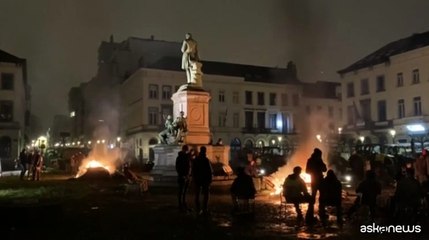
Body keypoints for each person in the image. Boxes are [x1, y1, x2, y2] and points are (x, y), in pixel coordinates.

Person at [305, 148, 327, 225]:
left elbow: (324, 169)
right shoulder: (312, 160)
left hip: (316, 180)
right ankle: (311, 212)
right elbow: (307, 171)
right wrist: (316, 171)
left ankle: (320, 211)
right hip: (316, 180)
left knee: (320, 196)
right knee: (314, 196)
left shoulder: (315, 160)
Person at [192, 146, 213, 215]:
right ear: (205, 151)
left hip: (198, 179)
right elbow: (209, 171)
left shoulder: (196, 159)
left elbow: (193, 169)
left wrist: (194, 178)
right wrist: (210, 179)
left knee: (197, 194)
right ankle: (205, 208)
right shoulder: (206, 159)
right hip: (205, 179)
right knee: (206, 194)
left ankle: (198, 208)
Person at [175, 145, 191, 212]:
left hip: (186, 176)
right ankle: (181, 204)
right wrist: (183, 175)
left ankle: (184, 203)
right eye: (187, 149)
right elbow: (178, 167)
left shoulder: (185, 156)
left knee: (184, 191)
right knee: (182, 191)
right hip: (183, 176)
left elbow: (188, 166)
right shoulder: (181, 157)